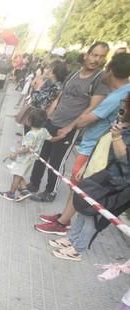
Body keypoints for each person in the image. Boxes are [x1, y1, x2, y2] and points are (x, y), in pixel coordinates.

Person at [35, 53, 130, 235]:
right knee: (78, 186)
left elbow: (88, 118)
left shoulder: (118, 96)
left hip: (96, 148)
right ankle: (64, 218)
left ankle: (64, 226)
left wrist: (73, 123)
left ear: (110, 70)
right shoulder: (120, 93)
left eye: (102, 61)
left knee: (81, 188)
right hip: (93, 145)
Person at [27, 42, 111, 202]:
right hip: (52, 121)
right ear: (87, 55)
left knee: (56, 161)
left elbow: (92, 108)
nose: (96, 59)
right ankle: (33, 184)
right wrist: (48, 116)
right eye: (94, 55)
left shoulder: (100, 79)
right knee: (41, 155)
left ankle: (50, 192)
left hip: (69, 127)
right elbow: (60, 97)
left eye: (101, 57)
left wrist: (69, 128)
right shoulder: (74, 73)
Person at [46, 104, 130, 262]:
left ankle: (78, 249)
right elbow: (101, 147)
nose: (123, 109)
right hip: (99, 175)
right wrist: (86, 166)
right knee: (82, 210)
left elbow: (126, 162)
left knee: (92, 216)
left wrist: (117, 137)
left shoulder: (123, 132)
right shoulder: (121, 125)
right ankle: (72, 240)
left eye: (126, 107)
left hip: (114, 182)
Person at [0, 109, 52, 201]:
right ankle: (24, 190)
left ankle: (11, 194)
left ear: (29, 120)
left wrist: (15, 152)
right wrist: (61, 136)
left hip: (23, 158)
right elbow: (51, 138)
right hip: (31, 159)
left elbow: (27, 148)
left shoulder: (31, 134)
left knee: (16, 175)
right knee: (19, 174)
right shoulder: (43, 131)